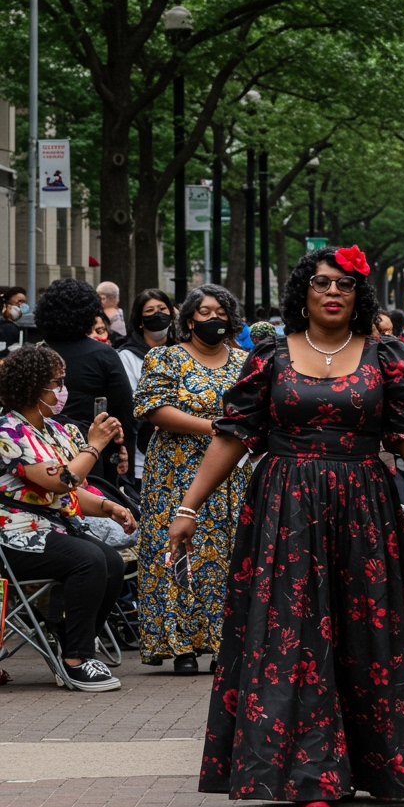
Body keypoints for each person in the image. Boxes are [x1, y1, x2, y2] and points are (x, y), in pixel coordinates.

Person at [168, 246, 404, 807]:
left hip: (365, 510)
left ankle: (380, 767)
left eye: (345, 286)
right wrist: (188, 508)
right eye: (323, 283)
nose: (333, 293)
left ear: (359, 298)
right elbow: (232, 436)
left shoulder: (387, 355)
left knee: (368, 638)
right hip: (285, 510)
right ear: (303, 292)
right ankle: (308, 775)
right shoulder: (271, 358)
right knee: (292, 636)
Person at [0, 345, 137, 691]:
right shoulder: (7, 432)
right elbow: (60, 481)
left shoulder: (55, 430)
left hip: (52, 528)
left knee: (112, 563)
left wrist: (109, 507)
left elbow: (71, 492)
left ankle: (70, 638)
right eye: (56, 383)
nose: (62, 390)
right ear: (33, 387)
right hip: (13, 534)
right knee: (89, 560)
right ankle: (77, 659)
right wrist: (94, 446)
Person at [134, 284, 250, 675]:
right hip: (176, 473)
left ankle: (223, 642)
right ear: (187, 320)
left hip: (232, 476)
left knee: (226, 556)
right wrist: (215, 427)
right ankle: (180, 645)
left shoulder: (245, 362)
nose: (213, 318)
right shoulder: (165, 358)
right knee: (178, 553)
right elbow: (153, 409)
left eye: (220, 311)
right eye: (204, 312)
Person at [34, 278, 134, 483]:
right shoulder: (104, 354)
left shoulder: (35, 354)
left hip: (40, 449)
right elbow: (123, 408)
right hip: (92, 452)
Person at [117, 289, 176, 483]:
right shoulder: (126, 356)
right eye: (149, 311)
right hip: (144, 456)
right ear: (140, 320)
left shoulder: (183, 352)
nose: (157, 314)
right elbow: (133, 403)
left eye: (162, 309)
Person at [0, 286, 27, 359]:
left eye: (24, 302)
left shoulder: (18, 327)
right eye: (19, 301)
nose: (22, 306)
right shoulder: (7, 328)